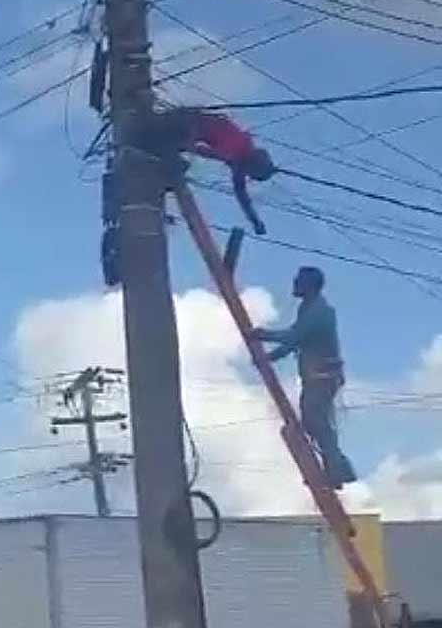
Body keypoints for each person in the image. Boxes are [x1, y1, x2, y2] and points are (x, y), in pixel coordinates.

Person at [251, 266, 357, 489]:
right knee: (315, 422)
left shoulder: (320, 311)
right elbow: (294, 342)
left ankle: (338, 470)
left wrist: (263, 336)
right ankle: (337, 470)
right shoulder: (308, 308)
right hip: (317, 377)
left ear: (310, 285)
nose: (294, 284)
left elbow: (293, 336)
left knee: (316, 421)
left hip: (324, 377)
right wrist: (268, 357)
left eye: (299, 281)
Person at [147, 109, 276, 235]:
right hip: (183, 123)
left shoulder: (243, 151)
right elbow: (202, 148)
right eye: (250, 173)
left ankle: (157, 155)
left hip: (186, 123)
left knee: (176, 164)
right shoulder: (234, 151)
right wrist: (185, 146)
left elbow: (241, 193)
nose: (246, 175)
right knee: (175, 167)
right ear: (252, 165)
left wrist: (255, 220)